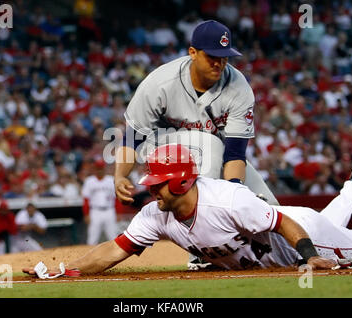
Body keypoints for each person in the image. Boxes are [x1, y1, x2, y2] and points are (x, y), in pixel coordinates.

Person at [23, 144, 352, 278]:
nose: (151, 187)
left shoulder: (227, 199)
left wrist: (310, 255)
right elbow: (113, 250)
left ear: (180, 182)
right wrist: (63, 269)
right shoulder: (155, 214)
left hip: (302, 235)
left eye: (157, 182)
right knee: (350, 234)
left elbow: (283, 220)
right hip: (273, 245)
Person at [114, 19, 279, 269]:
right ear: (193, 52)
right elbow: (132, 137)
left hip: (215, 154)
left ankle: (290, 256)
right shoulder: (160, 83)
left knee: (268, 206)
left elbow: (235, 154)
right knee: (208, 144)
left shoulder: (238, 87)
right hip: (162, 154)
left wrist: (234, 196)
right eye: (212, 55)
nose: (219, 63)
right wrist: (119, 177)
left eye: (224, 56)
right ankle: (200, 254)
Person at [81, 158, 118, 245]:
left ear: (104, 169)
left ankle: (116, 256)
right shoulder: (89, 181)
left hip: (109, 210)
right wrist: (86, 214)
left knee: (113, 237)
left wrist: (118, 212)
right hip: (95, 211)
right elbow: (86, 199)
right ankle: (90, 257)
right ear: (95, 169)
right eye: (98, 168)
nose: (100, 170)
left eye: (101, 168)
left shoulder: (111, 180)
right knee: (92, 238)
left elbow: (116, 198)